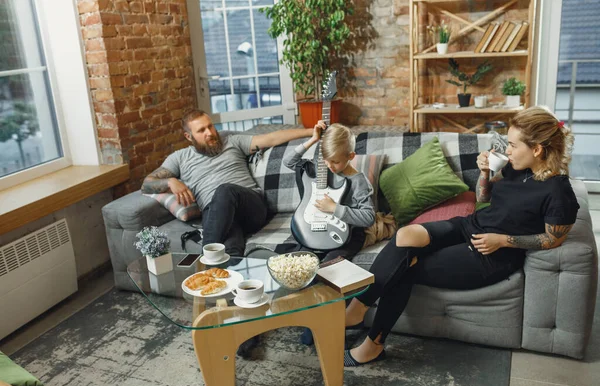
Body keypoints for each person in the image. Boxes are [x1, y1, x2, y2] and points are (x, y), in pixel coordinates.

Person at [342, 106, 580, 367]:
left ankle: (373, 344)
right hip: (469, 225)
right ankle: (359, 306)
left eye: (512, 145)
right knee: (405, 235)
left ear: (537, 149)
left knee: (406, 266)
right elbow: (483, 198)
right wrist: (485, 173)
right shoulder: (517, 169)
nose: (508, 150)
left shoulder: (559, 192)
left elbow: (552, 239)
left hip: (492, 254)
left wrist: (502, 241)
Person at [141, 109, 313, 257]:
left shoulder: (232, 141)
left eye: (210, 126)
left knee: (224, 191)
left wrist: (311, 131)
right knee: (230, 248)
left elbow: (271, 138)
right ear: (189, 136)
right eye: (201, 130)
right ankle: (226, 289)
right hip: (217, 215)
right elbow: (147, 184)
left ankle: (204, 260)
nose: (209, 132)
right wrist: (171, 181)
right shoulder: (179, 158)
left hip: (251, 208)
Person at [282, 121, 376, 345]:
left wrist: (335, 209)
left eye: (335, 161)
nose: (329, 165)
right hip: (315, 232)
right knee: (297, 265)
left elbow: (369, 217)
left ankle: (320, 330)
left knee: (329, 272)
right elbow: (288, 162)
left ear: (351, 156)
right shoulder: (320, 169)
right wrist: (313, 140)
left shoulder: (358, 181)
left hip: (346, 236)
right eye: (325, 159)